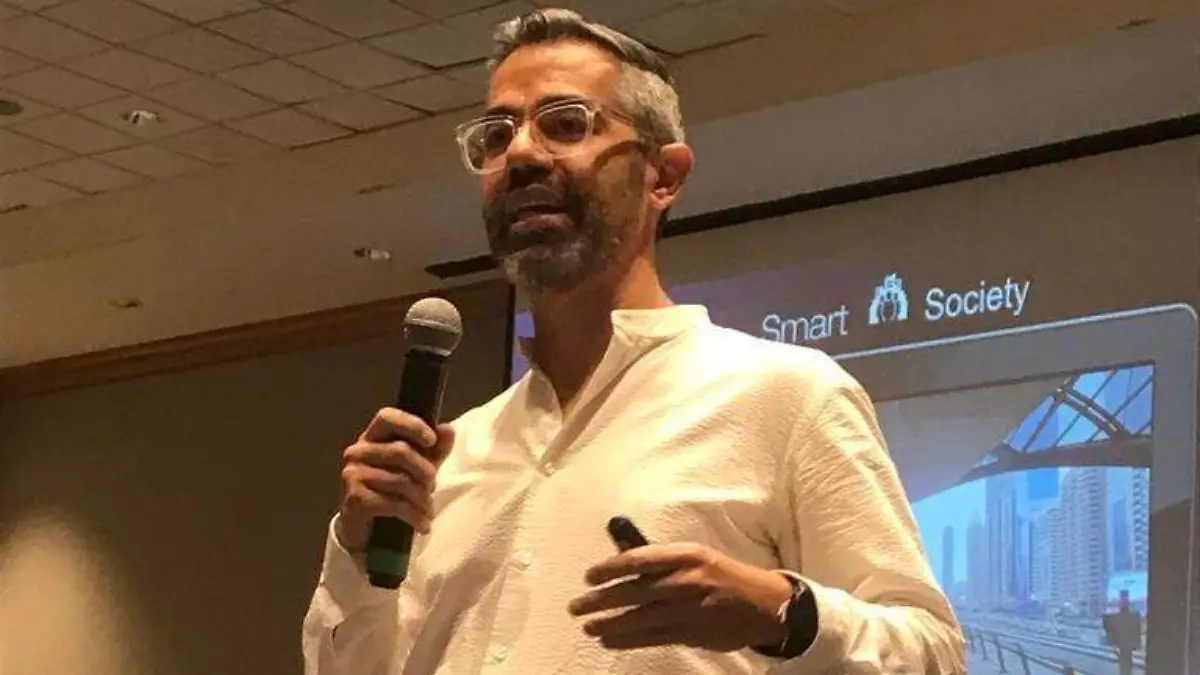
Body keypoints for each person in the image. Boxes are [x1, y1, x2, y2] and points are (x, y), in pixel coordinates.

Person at [302, 8, 965, 675]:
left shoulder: (786, 395)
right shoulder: (451, 457)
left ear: (663, 176)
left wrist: (784, 614)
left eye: (566, 124)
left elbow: (932, 652)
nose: (521, 154)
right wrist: (356, 551)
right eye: (497, 135)